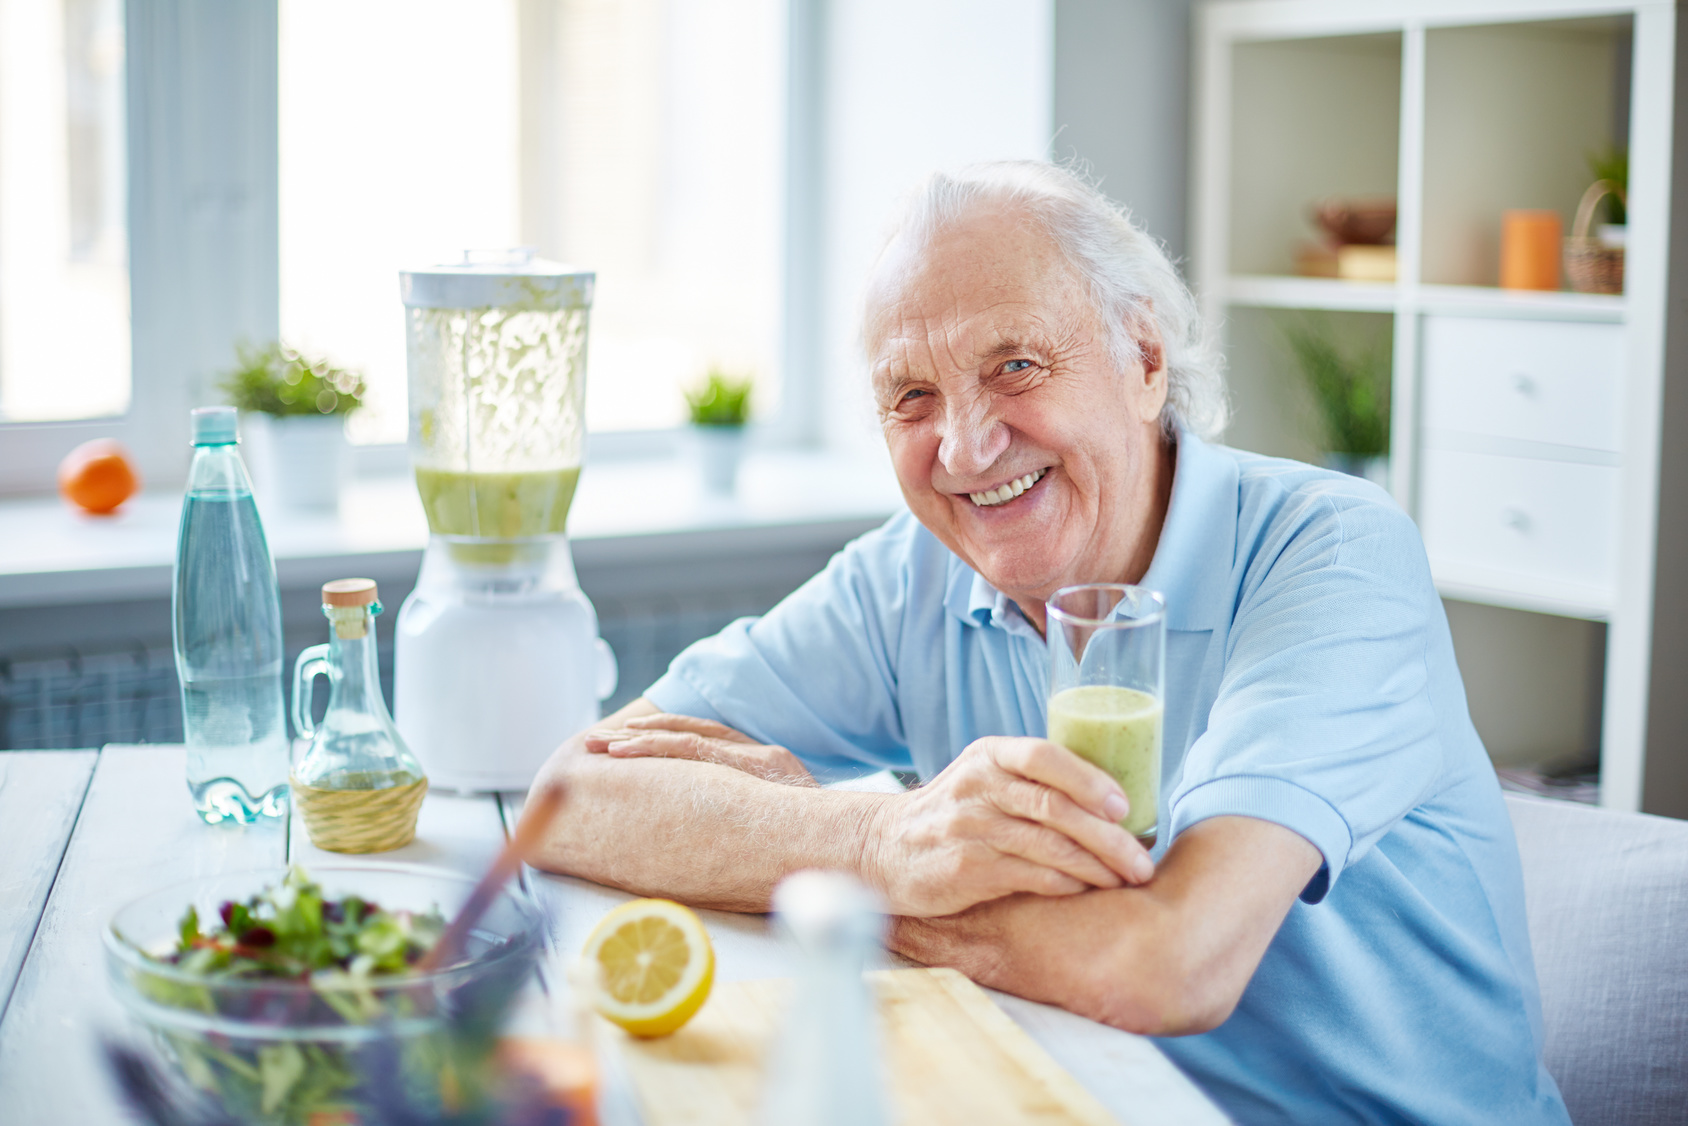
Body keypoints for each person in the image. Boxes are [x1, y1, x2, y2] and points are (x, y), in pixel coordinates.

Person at [527, 161, 1571, 1124]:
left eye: (1015, 365)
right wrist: (874, 843)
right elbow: (569, 798)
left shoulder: (1330, 555)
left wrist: (821, 874)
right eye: (912, 397)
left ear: (1144, 359)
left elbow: (1167, 962)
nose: (966, 445)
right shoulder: (911, 576)